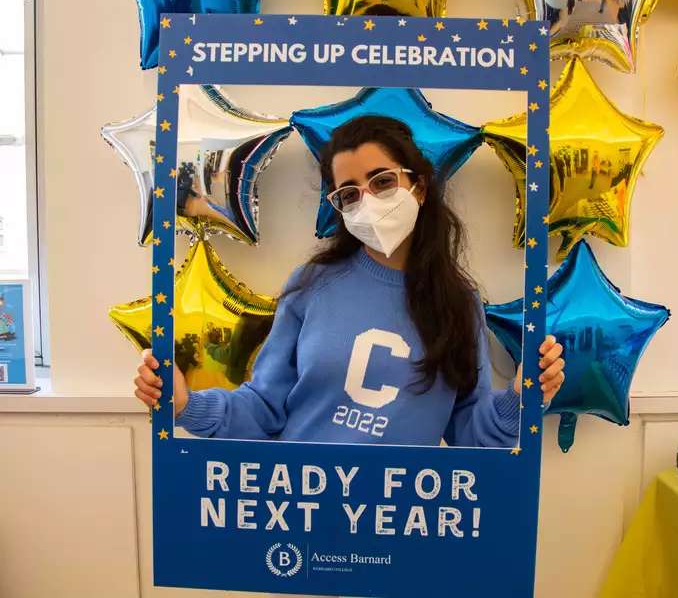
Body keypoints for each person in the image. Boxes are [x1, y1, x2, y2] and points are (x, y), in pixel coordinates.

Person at [134, 115, 565, 447]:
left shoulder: (459, 303)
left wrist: (521, 400)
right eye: (350, 193)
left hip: (398, 517)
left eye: (382, 181)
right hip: (301, 502)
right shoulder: (311, 287)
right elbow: (264, 407)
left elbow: (470, 432)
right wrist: (188, 406)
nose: (369, 200)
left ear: (418, 186)